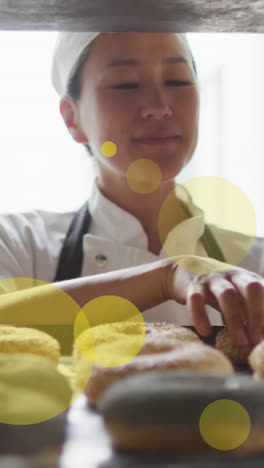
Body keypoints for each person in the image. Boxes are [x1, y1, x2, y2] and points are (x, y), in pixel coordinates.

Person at [0, 32, 264, 350]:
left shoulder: (254, 265)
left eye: (178, 81)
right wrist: (166, 277)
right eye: (125, 84)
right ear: (73, 119)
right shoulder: (20, 245)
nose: (159, 107)